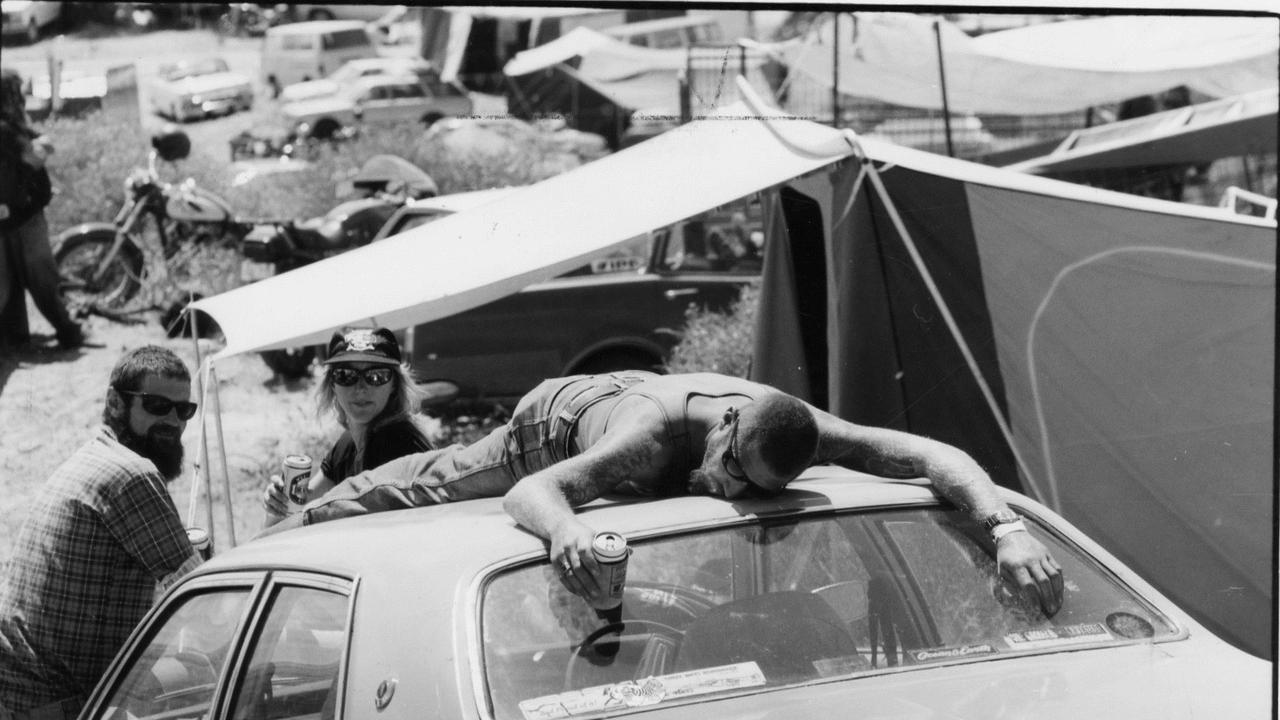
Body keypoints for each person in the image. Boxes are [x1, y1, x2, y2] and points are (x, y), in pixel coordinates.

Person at [262, 371, 1065, 617]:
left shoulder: (803, 426)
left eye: (756, 492)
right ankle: (292, 519)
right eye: (736, 477)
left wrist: (1003, 531)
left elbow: (935, 454)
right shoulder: (649, 436)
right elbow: (536, 492)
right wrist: (566, 536)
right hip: (558, 420)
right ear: (723, 433)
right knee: (415, 486)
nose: (735, 498)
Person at [0, 345, 201, 718]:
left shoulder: (92, 457)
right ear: (115, 403)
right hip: (57, 704)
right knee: (207, 674)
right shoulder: (132, 474)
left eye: (184, 410)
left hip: (22, 691)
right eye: (157, 406)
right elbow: (205, 600)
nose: (173, 421)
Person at [261, 327, 431, 526]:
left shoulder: (395, 445)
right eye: (346, 375)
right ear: (332, 383)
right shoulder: (349, 442)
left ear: (394, 384)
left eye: (376, 376)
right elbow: (301, 506)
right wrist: (276, 506)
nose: (360, 388)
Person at [0, 68, 84, 351]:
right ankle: (61, 332)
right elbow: (32, 151)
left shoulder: (12, 125)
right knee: (36, 281)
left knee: (21, 283)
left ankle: (31, 337)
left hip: (20, 217)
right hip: (21, 218)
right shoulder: (8, 127)